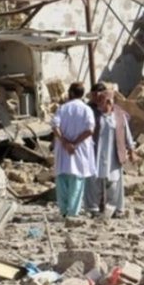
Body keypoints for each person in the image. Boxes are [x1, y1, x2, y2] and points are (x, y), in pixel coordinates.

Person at [84, 84, 135, 217]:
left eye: (103, 101)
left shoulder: (119, 114)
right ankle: (93, 208)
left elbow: (126, 133)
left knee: (114, 181)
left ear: (109, 101)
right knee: (93, 180)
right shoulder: (92, 113)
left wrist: (131, 150)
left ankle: (114, 209)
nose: (100, 103)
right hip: (96, 152)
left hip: (113, 153)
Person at [51, 82, 96, 217]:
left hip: (64, 151)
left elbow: (55, 127)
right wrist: (75, 143)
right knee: (77, 182)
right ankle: (73, 213)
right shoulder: (86, 110)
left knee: (62, 181)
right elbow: (90, 130)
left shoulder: (62, 108)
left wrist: (65, 143)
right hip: (79, 151)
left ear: (70, 93)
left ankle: (64, 211)